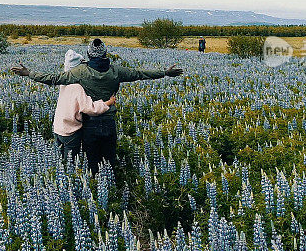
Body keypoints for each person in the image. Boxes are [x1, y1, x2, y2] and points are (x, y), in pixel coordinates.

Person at [11, 38, 183, 174]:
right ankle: (110, 190)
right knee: (109, 161)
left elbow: (54, 79)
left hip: (89, 123)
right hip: (109, 121)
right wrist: (164, 73)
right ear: (106, 53)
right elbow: (140, 74)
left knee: (91, 163)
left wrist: (29, 73)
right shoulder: (116, 70)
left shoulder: (80, 71)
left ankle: (94, 192)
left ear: (88, 54)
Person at [53, 49, 116, 164]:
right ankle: (70, 179)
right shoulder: (77, 87)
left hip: (58, 128)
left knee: (61, 160)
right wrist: (108, 103)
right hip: (70, 130)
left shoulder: (64, 82)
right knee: (71, 163)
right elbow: (89, 108)